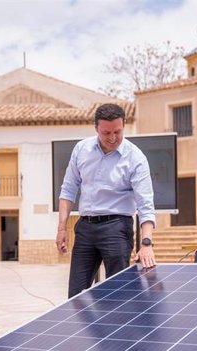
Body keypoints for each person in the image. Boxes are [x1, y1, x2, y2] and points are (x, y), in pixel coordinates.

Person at [56, 103, 156, 298]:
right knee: (75, 295)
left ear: (124, 125)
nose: (112, 138)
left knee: (118, 294)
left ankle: (119, 328)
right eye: (106, 133)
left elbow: (146, 205)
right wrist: (61, 228)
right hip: (85, 227)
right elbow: (68, 190)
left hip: (117, 228)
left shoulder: (136, 158)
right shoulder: (81, 149)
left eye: (117, 132)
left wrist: (147, 243)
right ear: (96, 129)